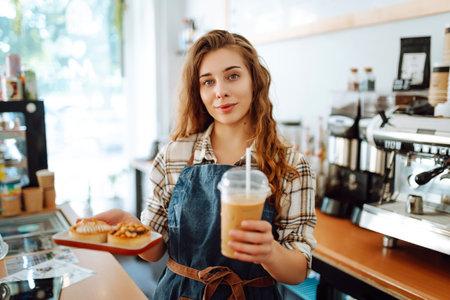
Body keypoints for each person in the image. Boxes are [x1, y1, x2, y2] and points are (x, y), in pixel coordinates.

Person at [94, 29, 316, 299]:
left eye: (232, 76)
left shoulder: (290, 165)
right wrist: (130, 228)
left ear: (254, 82)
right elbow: (154, 252)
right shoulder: (173, 156)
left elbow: (298, 271)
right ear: (197, 91)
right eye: (208, 82)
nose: (220, 92)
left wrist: (269, 251)